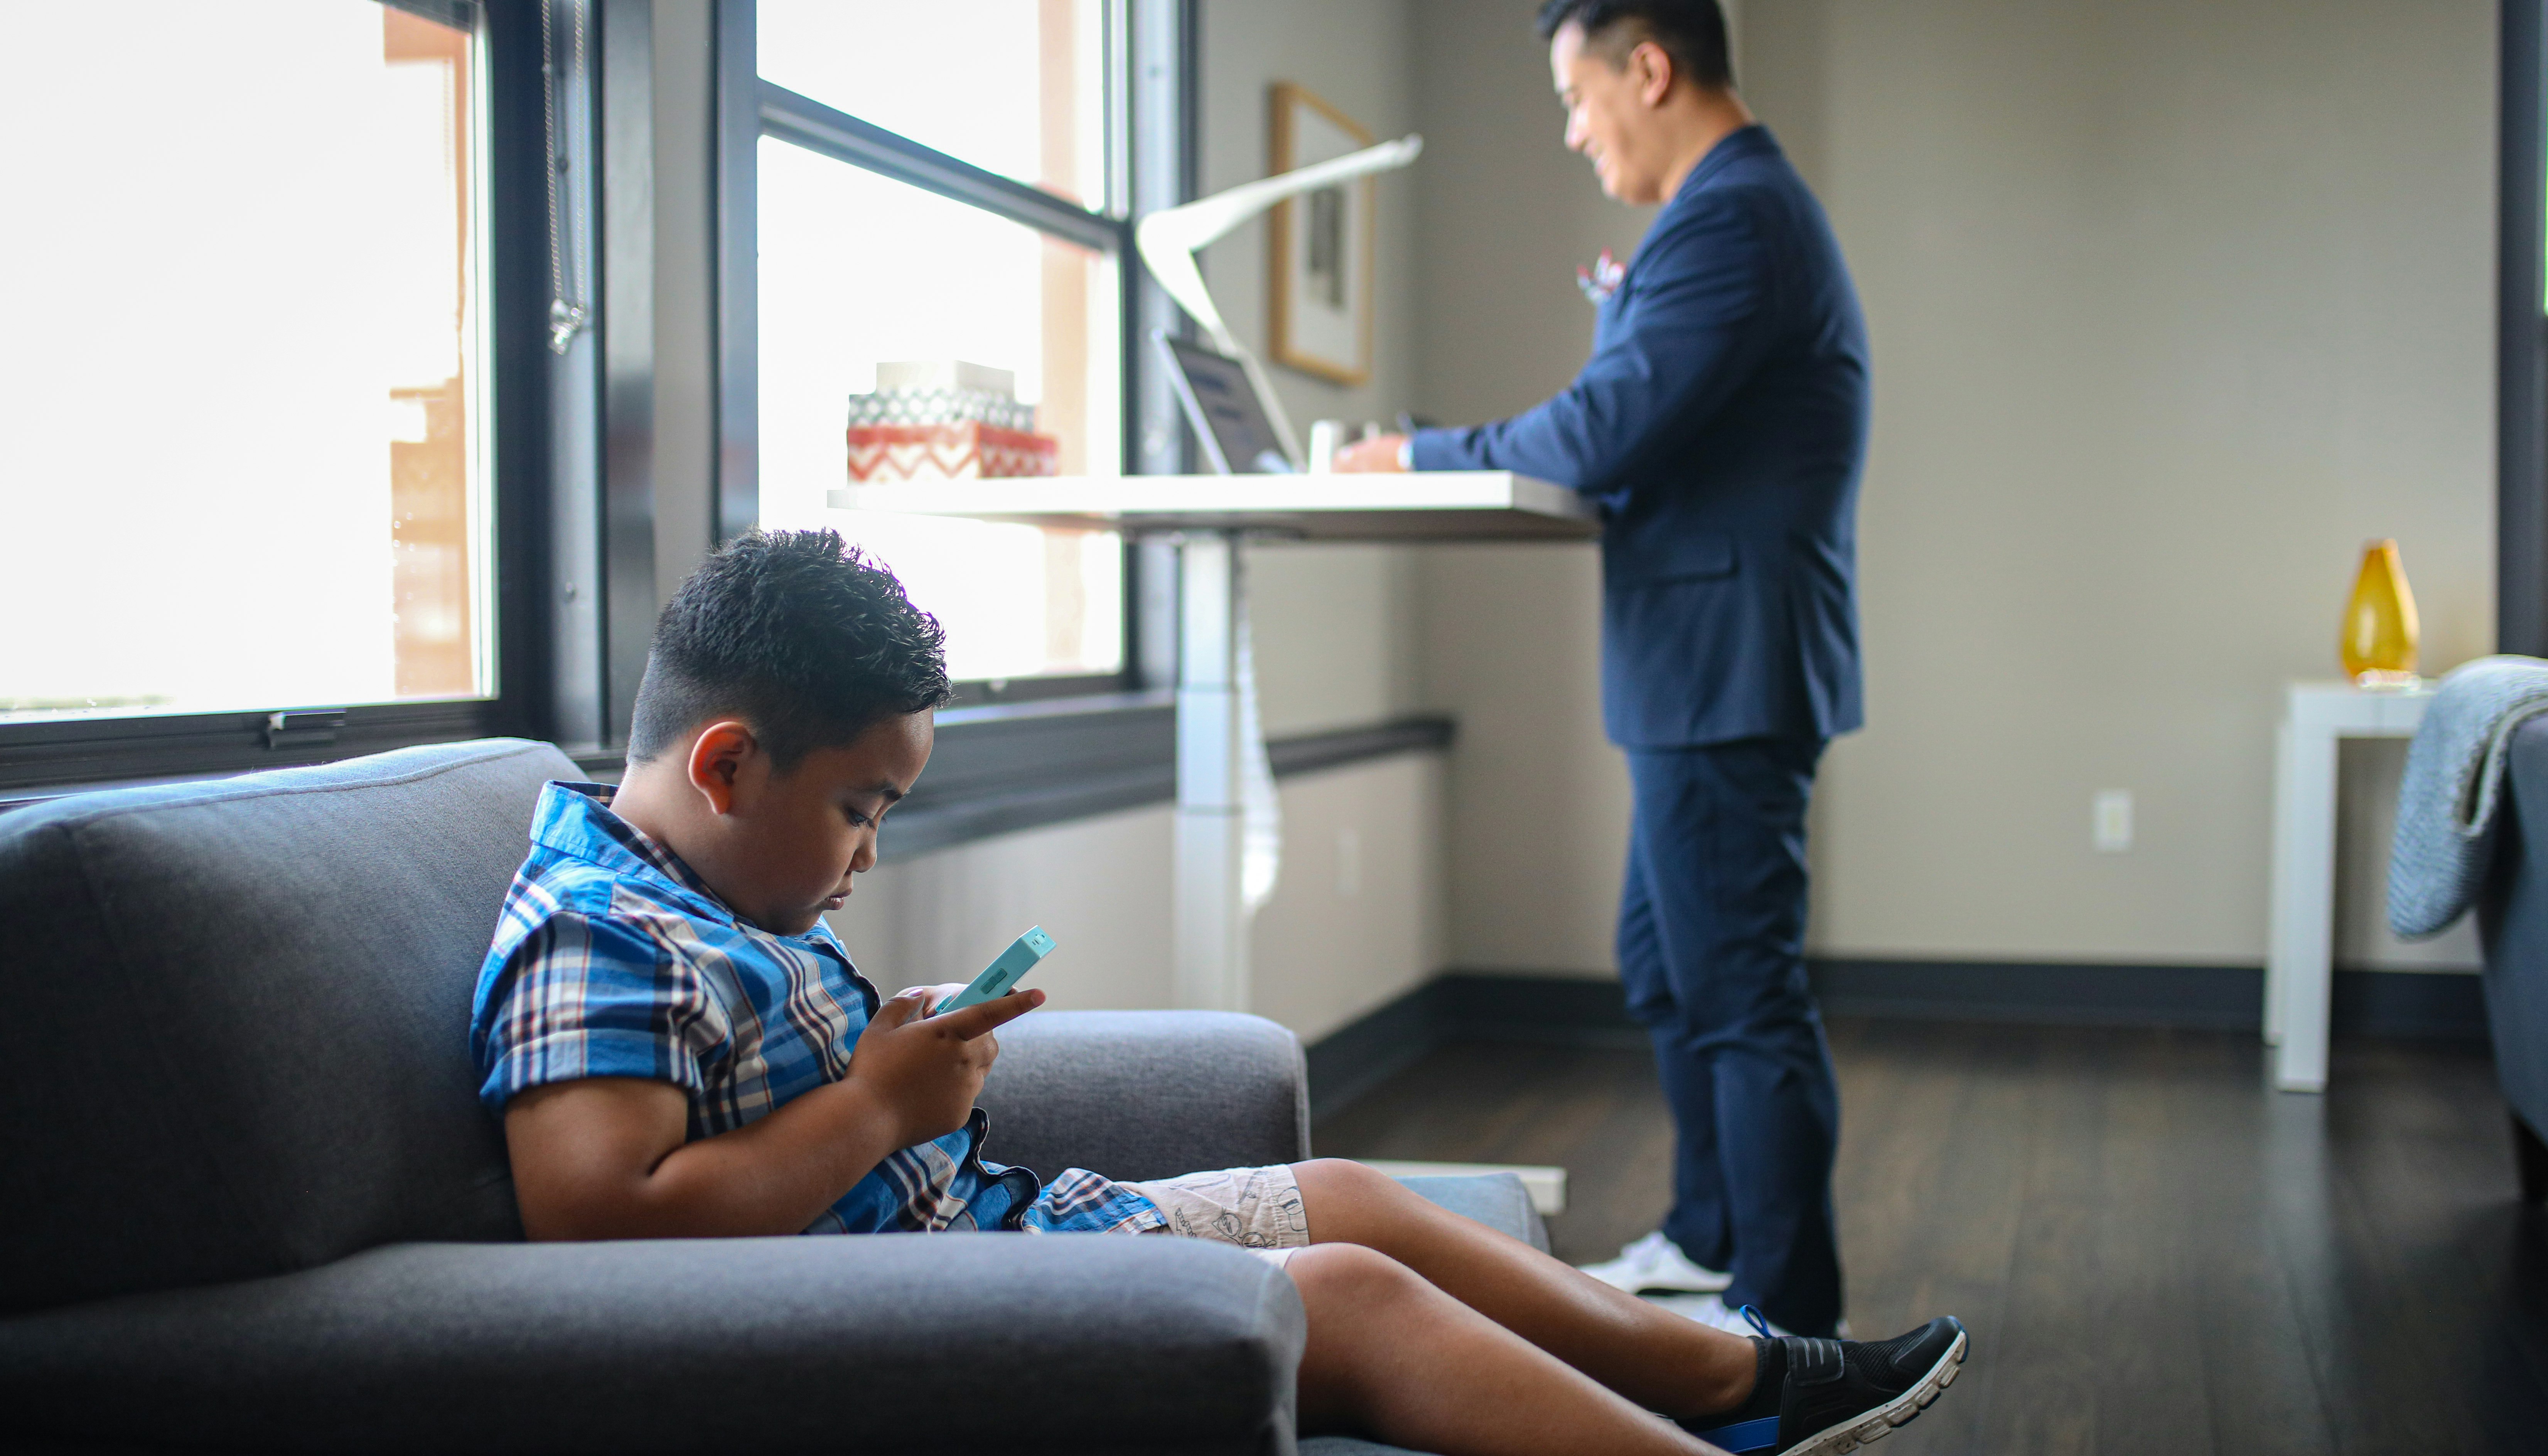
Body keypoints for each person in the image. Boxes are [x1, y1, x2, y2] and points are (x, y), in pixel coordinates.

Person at [469, 530, 1957, 1456]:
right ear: (726, 765)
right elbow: (598, 1225)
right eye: (864, 807)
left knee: (1348, 1195)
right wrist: (871, 1107)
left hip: (998, 1241)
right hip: (909, 1318)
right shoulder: (598, 933)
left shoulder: (708, 892)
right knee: (1351, 1298)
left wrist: (886, 1059)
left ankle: (1745, 1376)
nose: (870, 850)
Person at [1336, 0, 1868, 1338]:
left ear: (1650, 66)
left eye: (1579, 99)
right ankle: (1708, 1239)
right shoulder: (1735, 213)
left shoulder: (1733, 215)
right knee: (1667, 961)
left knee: (1741, 993)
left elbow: (1599, 430)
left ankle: (1785, 1323)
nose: (1574, 133)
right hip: (1708, 659)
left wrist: (1416, 453)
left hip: (1725, 661)